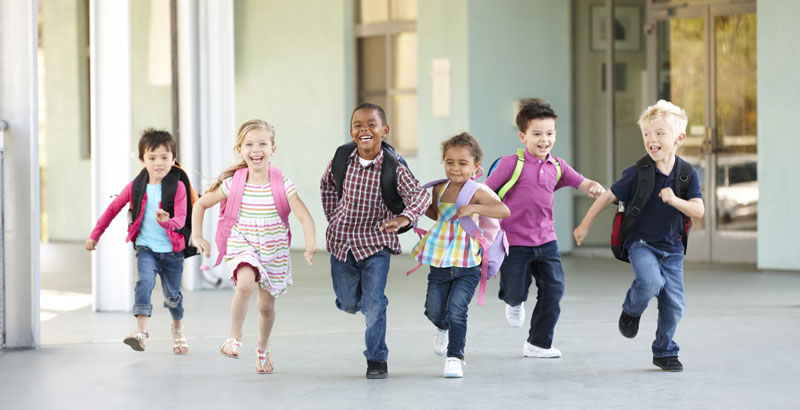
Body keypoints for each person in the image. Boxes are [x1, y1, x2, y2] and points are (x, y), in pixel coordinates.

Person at [573, 100, 704, 372]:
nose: (651, 139)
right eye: (647, 134)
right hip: (641, 244)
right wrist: (585, 224)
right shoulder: (638, 173)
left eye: (659, 134)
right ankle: (631, 311)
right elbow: (609, 195)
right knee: (650, 281)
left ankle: (664, 351)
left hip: (673, 249)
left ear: (678, 139)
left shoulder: (686, 174)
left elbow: (699, 210)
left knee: (675, 305)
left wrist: (674, 201)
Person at [191, 119, 316, 374]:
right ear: (240, 149)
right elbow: (200, 204)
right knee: (245, 284)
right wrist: (197, 235)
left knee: (265, 306)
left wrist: (310, 245)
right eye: (249, 144)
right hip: (243, 243)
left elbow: (304, 217)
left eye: (262, 143)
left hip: (273, 250)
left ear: (273, 149)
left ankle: (262, 347)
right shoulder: (233, 184)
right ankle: (234, 338)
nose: (255, 149)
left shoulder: (283, 185)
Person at [485, 99, 605, 358]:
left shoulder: (557, 166)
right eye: (537, 134)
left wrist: (594, 187)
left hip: (546, 241)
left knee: (554, 289)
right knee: (516, 289)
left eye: (549, 134)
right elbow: (486, 192)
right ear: (523, 136)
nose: (544, 140)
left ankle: (538, 344)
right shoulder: (510, 164)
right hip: (513, 241)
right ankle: (514, 301)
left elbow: (582, 182)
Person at [320, 103, 431, 379]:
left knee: (374, 303)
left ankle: (377, 359)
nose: (365, 129)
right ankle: (363, 305)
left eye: (371, 124)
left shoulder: (393, 166)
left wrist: (405, 219)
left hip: (375, 244)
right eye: (358, 125)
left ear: (385, 130)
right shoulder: (342, 158)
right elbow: (326, 185)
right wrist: (333, 216)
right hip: (341, 242)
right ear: (351, 131)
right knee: (348, 303)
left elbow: (421, 196)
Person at [411, 132, 510, 378]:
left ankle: (455, 357)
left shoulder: (476, 191)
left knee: (457, 308)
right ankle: (441, 327)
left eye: (463, 163)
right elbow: (435, 214)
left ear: (476, 167)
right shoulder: (439, 189)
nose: (455, 168)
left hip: (468, 261)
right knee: (434, 309)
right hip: (441, 259)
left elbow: (503, 210)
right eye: (450, 162)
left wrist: (475, 207)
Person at [86, 128, 191, 354]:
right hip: (147, 248)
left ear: (174, 159)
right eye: (152, 158)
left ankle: (178, 329)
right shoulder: (136, 186)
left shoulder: (178, 187)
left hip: (173, 252)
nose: (159, 163)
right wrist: (95, 234)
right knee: (144, 282)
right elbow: (113, 209)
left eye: (165, 157)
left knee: (172, 296)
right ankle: (141, 333)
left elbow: (181, 220)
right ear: (142, 160)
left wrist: (166, 221)